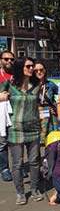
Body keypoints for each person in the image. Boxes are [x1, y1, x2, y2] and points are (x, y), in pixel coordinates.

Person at [0, 57, 43, 205]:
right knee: (17, 163)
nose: (32, 69)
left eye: (33, 66)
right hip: (15, 128)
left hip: (33, 128)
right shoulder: (9, 85)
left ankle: (35, 189)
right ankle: (20, 193)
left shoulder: (37, 85)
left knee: (34, 161)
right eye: (29, 66)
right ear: (20, 68)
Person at [34, 61, 59, 144]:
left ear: (45, 70)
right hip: (36, 115)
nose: (39, 72)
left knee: (52, 141)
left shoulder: (50, 84)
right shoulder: (30, 85)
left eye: (41, 70)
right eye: (36, 70)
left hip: (51, 115)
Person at [0, 50, 14, 182]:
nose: (9, 61)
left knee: (16, 141)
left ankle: (17, 167)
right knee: (2, 142)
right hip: (1, 114)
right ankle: (4, 168)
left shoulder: (16, 76)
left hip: (15, 112)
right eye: (6, 59)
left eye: (11, 59)